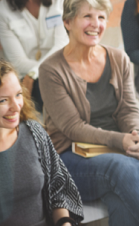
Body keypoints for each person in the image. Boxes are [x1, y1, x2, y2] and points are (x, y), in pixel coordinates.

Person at [39, 0, 139, 226]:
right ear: (68, 22)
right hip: (69, 158)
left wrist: (136, 135)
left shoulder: (117, 57)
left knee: (121, 196)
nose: (96, 23)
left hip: (116, 153)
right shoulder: (51, 69)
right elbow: (73, 127)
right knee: (123, 166)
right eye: (87, 16)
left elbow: (128, 109)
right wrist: (120, 141)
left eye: (101, 17)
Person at [0, 59, 83, 226]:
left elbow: (58, 188)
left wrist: (64, 223)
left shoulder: (34, 133)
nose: (16, 106)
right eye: (3, 100)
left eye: (18, 95)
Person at [0, 0, 69, 112]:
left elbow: (62, 44)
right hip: (24, 78)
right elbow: (17, 61)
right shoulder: (3, 8)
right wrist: (33, 75)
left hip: (56, 71)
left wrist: (34, 73)